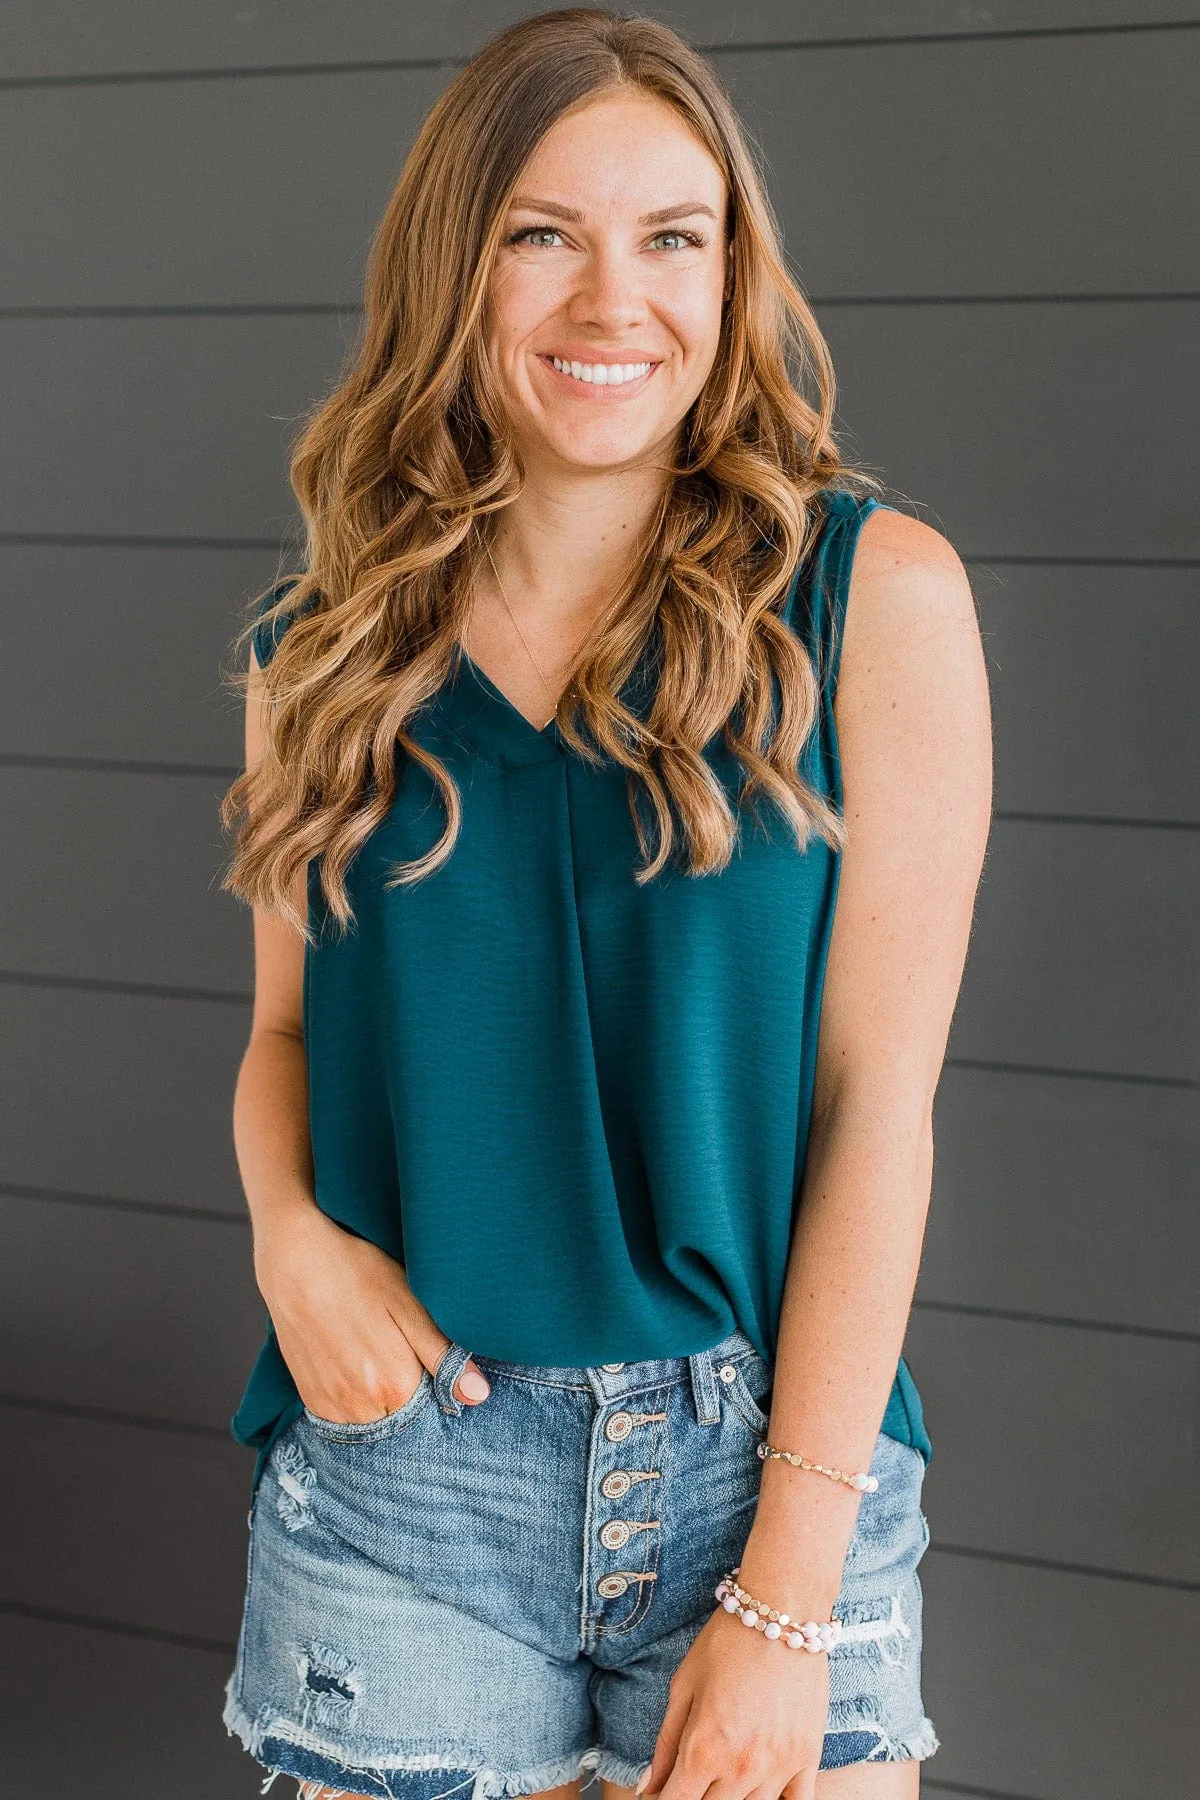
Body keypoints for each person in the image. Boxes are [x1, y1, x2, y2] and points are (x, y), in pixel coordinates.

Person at [217, 10, 992, 1800]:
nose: (611, 299)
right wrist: (288, 1239)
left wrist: (787, 1594)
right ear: (455, 266)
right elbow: (277, 1032)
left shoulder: (874, 603)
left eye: (673, 237)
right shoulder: (318, 652)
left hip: (768, 1460)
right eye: (542, 234)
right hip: (411, 1471)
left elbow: (882, 1112)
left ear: (732, 274)